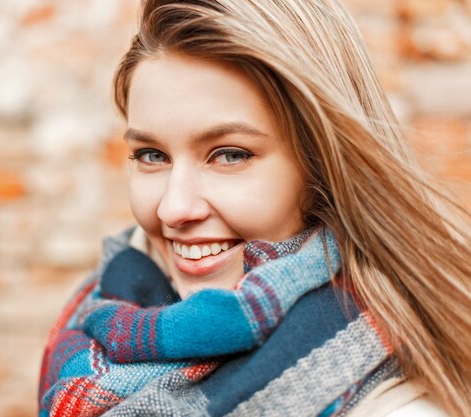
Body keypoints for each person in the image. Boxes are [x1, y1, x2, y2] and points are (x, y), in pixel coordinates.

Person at [38, 1, 471, 416]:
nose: (174, 208)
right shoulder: (98, 314)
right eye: (152, 155)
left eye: (229, 155)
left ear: (321, 165)